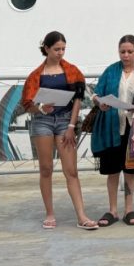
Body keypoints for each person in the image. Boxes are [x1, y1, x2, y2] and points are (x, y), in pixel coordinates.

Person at [21, 31, 98, 230]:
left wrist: (72, 126)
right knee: (45, 169)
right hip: (42, 121)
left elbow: (78, 100)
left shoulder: (72, 71)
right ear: (46, 49)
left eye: (63, 49)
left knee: (71, 170)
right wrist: (39, 108)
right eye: (56, 49)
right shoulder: (36, 75)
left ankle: (81, 215)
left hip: (65, 121)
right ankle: (49, 213)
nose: (60, 53)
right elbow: (27, 104)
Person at [90, 35, 134, 227]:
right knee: (112, 169)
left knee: (131, 168)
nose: (126, 55)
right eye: (123, 51)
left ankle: (129, 209)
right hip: (112, 126)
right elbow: (96, 93)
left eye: (130, 51)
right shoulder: (111, 71)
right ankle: (112, 210)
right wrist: (100, 102)